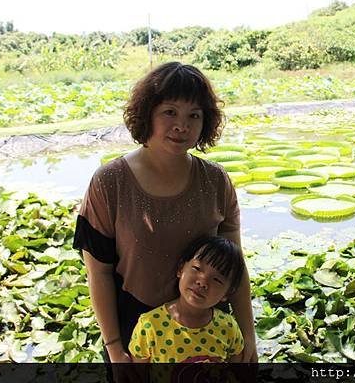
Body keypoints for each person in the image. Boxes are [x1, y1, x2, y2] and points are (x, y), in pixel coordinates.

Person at [73, 62, 257, 380]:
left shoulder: (216, 181)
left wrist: (248, 335)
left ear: (205, 122)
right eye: (169, 112)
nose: (181, 126)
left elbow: (234, 266)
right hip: (137, 333)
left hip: (207, 326)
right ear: (147, 114)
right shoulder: (109, 182)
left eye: (193, 116)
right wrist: (114, 348)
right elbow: (98, 273)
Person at [129, 236, 245, 364]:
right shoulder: (150, 325)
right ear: (181, 269)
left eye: (217, 280)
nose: (202, 282)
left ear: (227, 293)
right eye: (197, 268)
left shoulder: (228, 327)